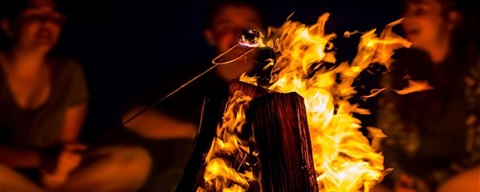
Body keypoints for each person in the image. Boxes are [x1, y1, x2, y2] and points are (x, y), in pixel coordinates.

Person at [0, 0, 152, 191]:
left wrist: (59, 170)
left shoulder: (68, 73)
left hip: (47, 180)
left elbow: (67, 148)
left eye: (55, 17)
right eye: (35, 15)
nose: (47, 23)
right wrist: (44, 158)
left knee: (134, 161)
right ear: (8, 25)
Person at [121, 0, 270, 191]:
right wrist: (196, 132)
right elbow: (133, 118)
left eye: (249, 26)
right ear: (210, 36)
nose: (239, 34)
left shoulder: (284, 79)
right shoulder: (190, 81)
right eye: (226, 26)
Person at [374, 0, 480, 191]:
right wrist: (402, 179)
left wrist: (430, 184)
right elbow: (388, 142)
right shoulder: (398, 76)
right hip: (413, 181)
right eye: (406, 10)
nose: (407, 19)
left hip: (461, 178)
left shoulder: (475, 71)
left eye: (420, 10)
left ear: (452, 19)